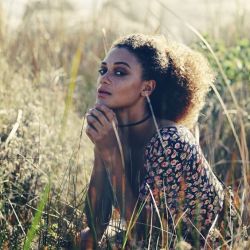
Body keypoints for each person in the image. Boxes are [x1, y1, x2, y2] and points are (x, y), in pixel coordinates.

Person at [81, 33, 227, 249]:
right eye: (103, 70)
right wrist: (102, 151)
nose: (104, 78)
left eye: (120, 72)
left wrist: (112, 156)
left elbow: (148, 237)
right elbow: (95, 224)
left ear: (147, 88)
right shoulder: (114, 133)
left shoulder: (170, 142)